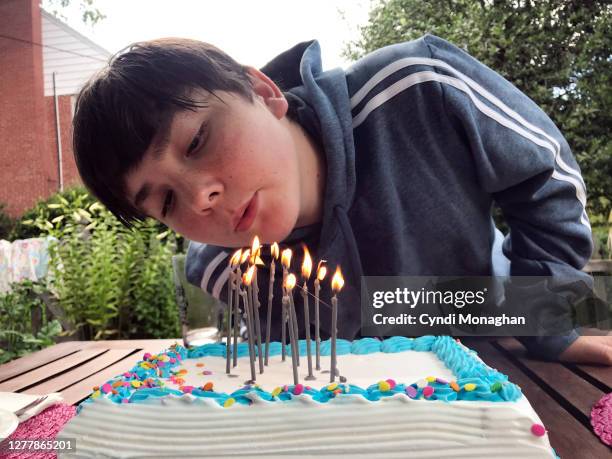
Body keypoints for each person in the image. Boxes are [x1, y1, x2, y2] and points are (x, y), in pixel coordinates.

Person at [72, 34, 612, 364]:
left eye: (196, 141)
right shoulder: (228, 268)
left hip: (504, 355)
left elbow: (547, 176)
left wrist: (541, 324)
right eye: (166, 202)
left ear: (263, 92)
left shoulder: (418, 89)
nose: (202, 195)